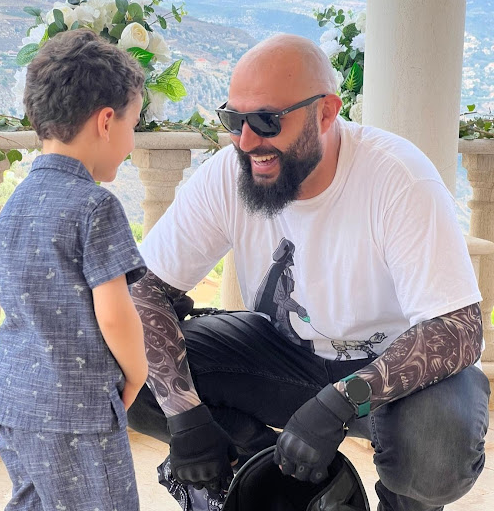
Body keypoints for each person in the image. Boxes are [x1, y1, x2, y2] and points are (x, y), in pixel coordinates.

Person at [128, 34, 491, 511]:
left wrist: (341, 401)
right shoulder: (228, 173)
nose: (246, 141)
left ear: (326, 113)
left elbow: (458, 330)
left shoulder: (398, 177)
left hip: (394, 376)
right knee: (116, 361)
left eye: (266, 120)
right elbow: (142, 290)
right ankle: (272, 479)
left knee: (435, 449)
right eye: (234, 120)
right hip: (283, 356)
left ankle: (402, 502)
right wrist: (185, 418)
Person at [0, 29, 148, 511]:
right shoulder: (96, 207)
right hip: (79, 410)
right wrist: (137, 373)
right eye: (134, 123)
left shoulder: (11, 209)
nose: (133, 141)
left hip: (16, 403)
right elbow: (114, 315)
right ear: (106, 121)